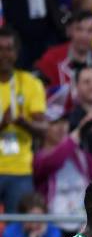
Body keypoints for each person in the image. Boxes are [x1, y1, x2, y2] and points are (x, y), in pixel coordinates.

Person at [34, 112, 92, 233]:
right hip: (53, 229)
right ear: (44, 127)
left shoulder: (78, 154)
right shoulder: (39, 158)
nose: (61, 127)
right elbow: (54, 161)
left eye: (64, 122)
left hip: (82, 226)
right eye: (55, 122)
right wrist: (78, 133)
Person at [0, 26, 47, 215]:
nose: (4, 54)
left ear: (17, 52)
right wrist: (2, 124)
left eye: (9, 48)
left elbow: (43, 128)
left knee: (20, 229)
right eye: (0, 48)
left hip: (19, 170)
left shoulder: (30, 83)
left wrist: (23, 122)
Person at [34, 10, 92, 110]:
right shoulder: (51, 59)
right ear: (69, 31)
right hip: (61, 121)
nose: (84, 35)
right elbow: (40, 96)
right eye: (79, 29)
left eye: (90, 31)